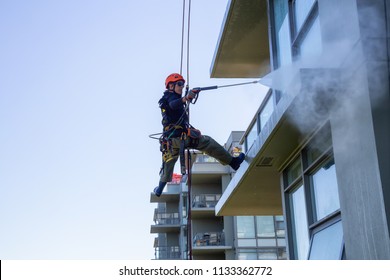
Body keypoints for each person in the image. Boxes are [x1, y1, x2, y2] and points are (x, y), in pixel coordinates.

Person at [153, 73, 245, 197]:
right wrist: (186, 98)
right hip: (178, 138)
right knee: (207, 142)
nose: (181, 86)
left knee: (167, 164)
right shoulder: (169, 97)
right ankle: (233, 162)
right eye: (179, 84)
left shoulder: (171, 99)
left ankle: (159, 189)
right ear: (170, 86)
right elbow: (173, 104)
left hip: (171, 142)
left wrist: (187, 98)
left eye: (182, 84)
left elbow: (176, 108)